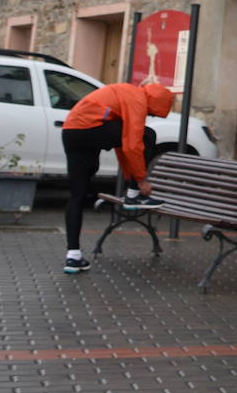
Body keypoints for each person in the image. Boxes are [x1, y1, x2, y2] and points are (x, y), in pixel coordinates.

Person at [61, 80, 173, 274]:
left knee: (77, 195)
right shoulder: (137, 99)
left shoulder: (124, 93)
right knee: (148, 135)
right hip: (90, 129)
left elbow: (123, 147)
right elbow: (133, 144)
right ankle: (133, 195)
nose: (150, 115)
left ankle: (73, 256)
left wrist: (134, 178)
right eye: (152, 112)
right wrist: (141, 181)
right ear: (154, 102)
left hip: (71, 131)